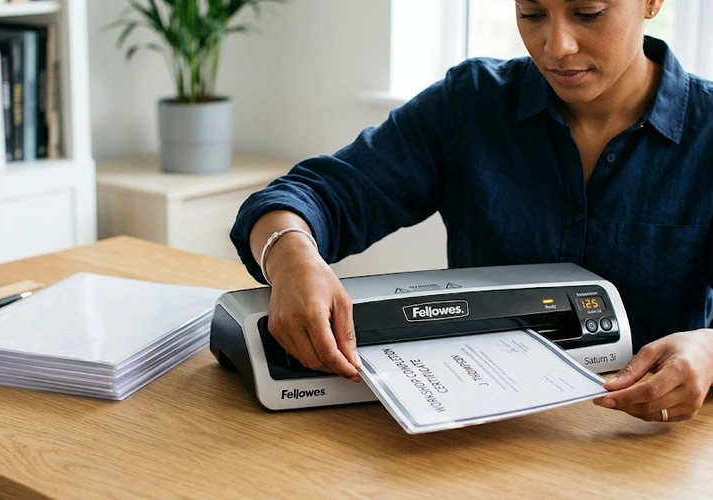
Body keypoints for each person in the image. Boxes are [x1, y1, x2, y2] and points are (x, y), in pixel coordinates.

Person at [230, 0, 713, 424]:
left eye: (588, 13)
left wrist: (710, 351)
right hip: (472, 435)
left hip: (648, 442)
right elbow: (311, 196)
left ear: (652, 2)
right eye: (532, 13)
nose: (556, 45)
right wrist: (290, 256)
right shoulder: (470, 105)